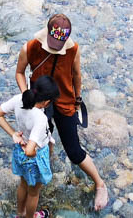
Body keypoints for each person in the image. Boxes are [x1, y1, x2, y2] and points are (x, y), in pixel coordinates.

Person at [15, 15, 109, 212]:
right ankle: (46, 166)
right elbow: (20, 72)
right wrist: (26, 94)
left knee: (74, 151)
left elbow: (76, 75)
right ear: (47, 33)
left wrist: (77, 100)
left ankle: (100, 184)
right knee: (41, 141)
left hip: (65, 101)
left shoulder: (73, 50)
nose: (57, 48)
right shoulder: (30, 47)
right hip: (40, 104)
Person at [0, 76, 60, 218]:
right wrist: (35, 155)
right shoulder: (40, 118)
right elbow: (29, 151)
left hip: (19, 150)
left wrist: (13, 134)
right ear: (47, 102)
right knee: (33, 193)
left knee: (23, 184)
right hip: (34, 154)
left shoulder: (19, 99)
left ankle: (20, 213)